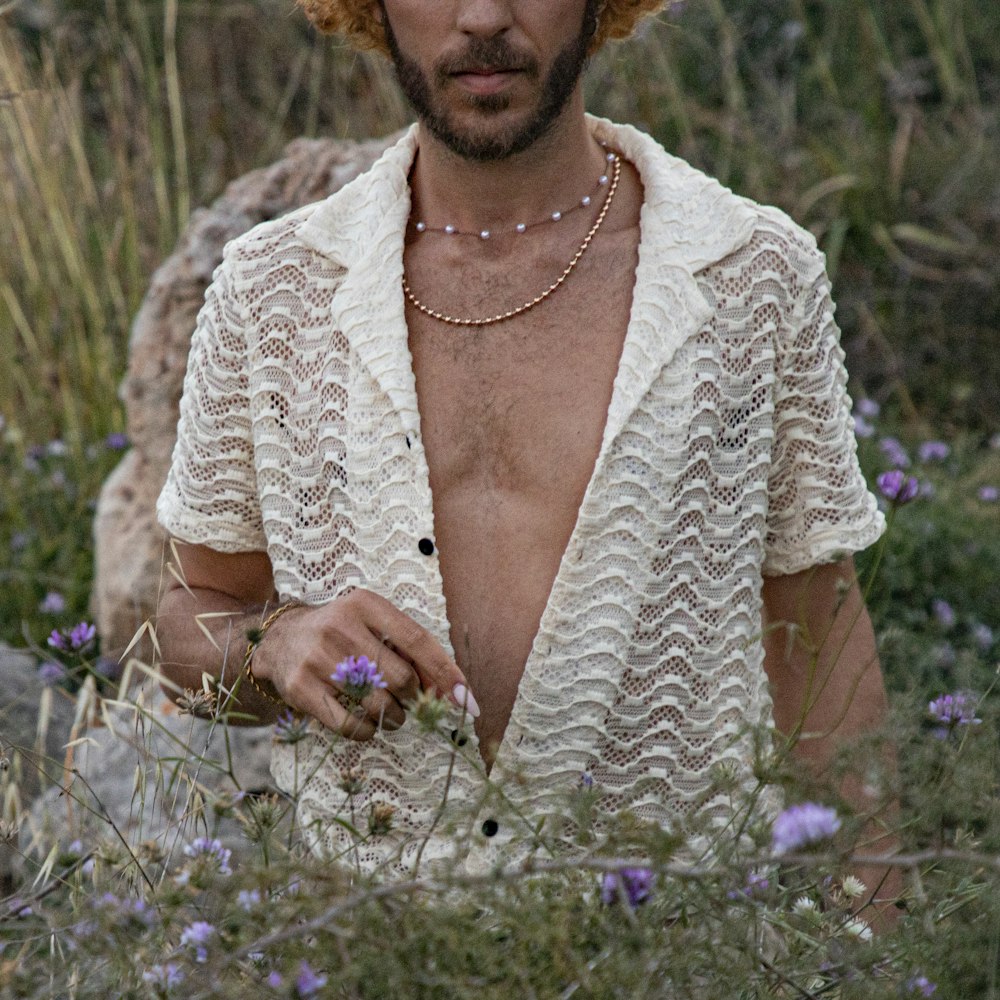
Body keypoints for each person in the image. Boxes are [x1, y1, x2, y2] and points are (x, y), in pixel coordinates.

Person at [156, 0, 896, 895]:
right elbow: (187, 621)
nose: (482, 17)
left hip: (680, 953)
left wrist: (868, 951)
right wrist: (277, 643)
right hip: (368, 949)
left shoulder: (750, 275)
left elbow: (820, 644)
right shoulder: (273, 295)